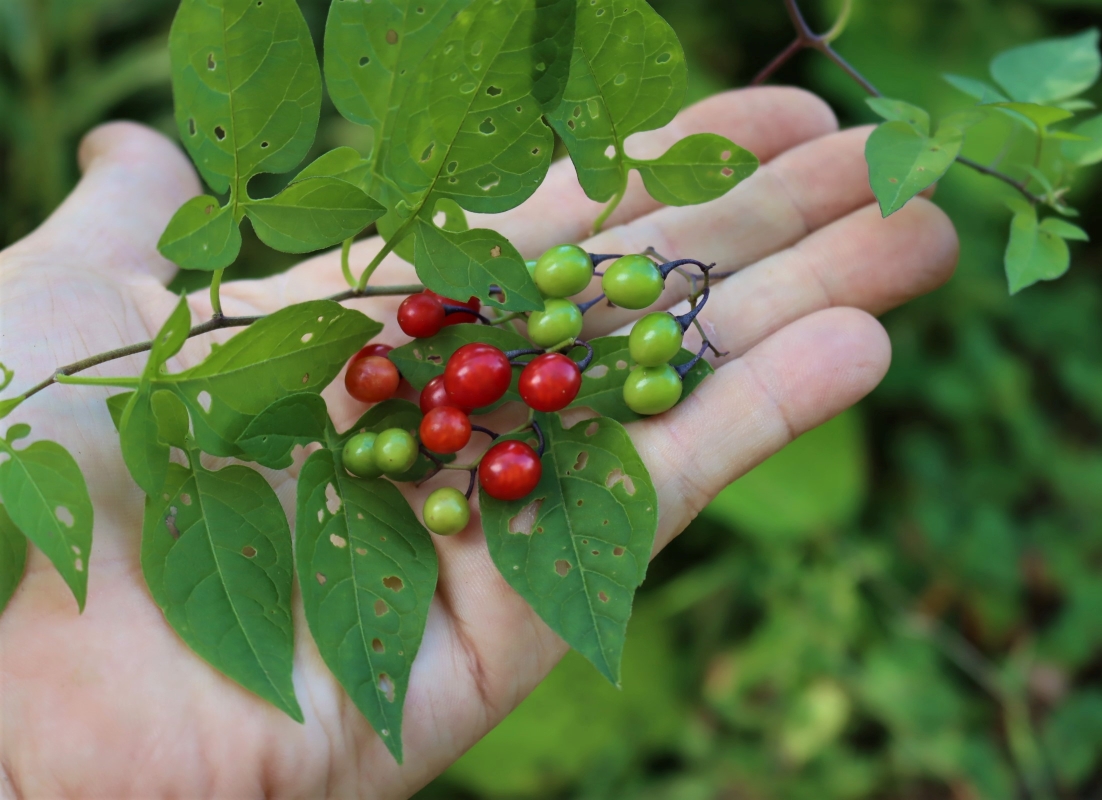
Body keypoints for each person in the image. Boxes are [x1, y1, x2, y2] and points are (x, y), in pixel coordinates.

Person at [0, 86, 957, 798]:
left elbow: (454, 346)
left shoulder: (476, 377)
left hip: (497, 391)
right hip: (477, 400)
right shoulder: (450, 384)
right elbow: (433, 346)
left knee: (521, 385)